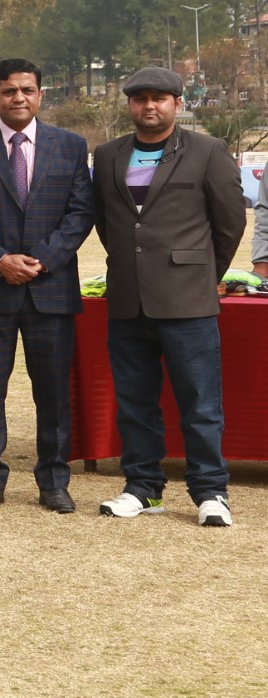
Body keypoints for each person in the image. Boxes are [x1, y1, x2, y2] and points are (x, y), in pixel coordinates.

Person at [92, 66, 245, 526]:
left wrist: (200, 274)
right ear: (130, 106)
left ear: (178, 104)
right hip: (127, 299)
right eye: (140, 99)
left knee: (200, 401)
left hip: (188, 301)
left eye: (160, 98)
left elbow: (229, 222)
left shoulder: (208, 151)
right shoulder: (108, 155)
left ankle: (211, 491)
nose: (150, 106)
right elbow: (107, 222)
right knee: (135, 400)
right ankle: (142, 487)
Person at [0, 59, 96, 513]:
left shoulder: (69, 146)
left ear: (40, 95)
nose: (18, 98)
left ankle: (53, 480)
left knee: (52, 391)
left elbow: (80, 213)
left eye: (27, 90)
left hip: (50, 291)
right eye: (8, 91)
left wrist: (44, 260)